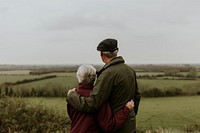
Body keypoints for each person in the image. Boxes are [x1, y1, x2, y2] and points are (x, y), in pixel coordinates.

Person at [67, 38, 140, 133]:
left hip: (116, 128)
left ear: (101, 54)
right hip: (129, 125)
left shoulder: (107, 74)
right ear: (116, 51)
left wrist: (72, 95)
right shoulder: (130, 71)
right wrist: (130, 114)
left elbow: (93, 104)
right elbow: (137, 96)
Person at [67, 64, 134, 133]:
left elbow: (73, 118)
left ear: (78, 77)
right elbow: (109, 125)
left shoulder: (72, 96)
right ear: (95, 78)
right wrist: (126, 109)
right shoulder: (99, 96)